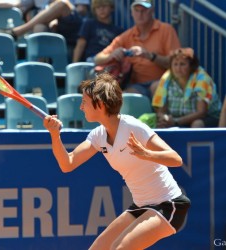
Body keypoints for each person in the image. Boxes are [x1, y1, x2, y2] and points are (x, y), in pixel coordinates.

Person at [43, 72, 191, 249]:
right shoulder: (98, 136)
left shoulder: (133, 127)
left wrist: (147, 154)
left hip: (169, 205)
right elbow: (67, 164)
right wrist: (54, 135)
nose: (81, 107)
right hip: (141, 206)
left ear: (100, 105)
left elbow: (176, 159)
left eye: (84, 102)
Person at [94, 0, 181, 99]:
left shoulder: (166, 30)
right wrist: (112, 55)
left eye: (144, 10)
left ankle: (160, 114)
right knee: (127, 99)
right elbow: (97, 58)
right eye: (137, 10)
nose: (140, 14)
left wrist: (149, 55)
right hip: (136, 85)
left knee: (156, 87)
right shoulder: (127, 35)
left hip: (163, 81)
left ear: (152, 11)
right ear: (132, 13)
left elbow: (177, 62)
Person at [152, 48, 222, 128]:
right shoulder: (166, 79)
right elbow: (161, 111)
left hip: (207, 118)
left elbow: (201, 112)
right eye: (175, 64)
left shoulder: (202, 79)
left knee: (197, 124)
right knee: (160, 125)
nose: (178, 68)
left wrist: (176, 121)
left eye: (182, 64)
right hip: (175, 120)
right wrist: (165, 118)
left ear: (191, 66)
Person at [0, 0, 90, 56]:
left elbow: (82, 9)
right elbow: (18, 3)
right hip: (46, 22)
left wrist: (56, 14)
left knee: (62, 4)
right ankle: (39, 68)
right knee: (39, 27)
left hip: (73, 22)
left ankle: (17, 32)